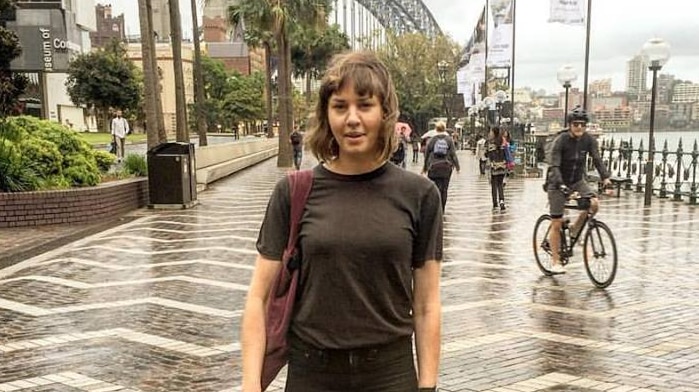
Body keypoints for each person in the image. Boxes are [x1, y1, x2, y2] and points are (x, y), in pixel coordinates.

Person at [241, 51, 443, 392]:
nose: (352, 118)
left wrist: (427, 386)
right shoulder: (292, 192)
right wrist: (250, 386)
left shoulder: (420, 195)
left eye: (364, 105)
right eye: (340, 106)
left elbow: (426, 304)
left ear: (384, 113)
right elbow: (258, 298)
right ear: (327, 115)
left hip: (390, 375)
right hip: (312, 374)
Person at [546, 107, 612, 274]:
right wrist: (561, 186)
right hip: (557, 181)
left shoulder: (588, 140)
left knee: (594, 204)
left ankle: (576, 228)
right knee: (557, 222)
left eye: (583, 124)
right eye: (576, 124)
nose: (579, 128)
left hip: (577, 180)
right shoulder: (561, 140)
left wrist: (606, 178)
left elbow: (597, 159)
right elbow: (554, 165)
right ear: (570, 125)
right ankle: (555, 261)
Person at [422, 121, 460, 211]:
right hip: (446, 167)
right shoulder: (449, 140)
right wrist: (457, 167)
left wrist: (425, 168)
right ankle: (442, 209)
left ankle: (435, 208)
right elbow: (453, 155)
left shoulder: (432, 140)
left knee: (434, 189)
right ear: (444, 128)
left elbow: (426, 154)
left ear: (436, 129)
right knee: (444, 189)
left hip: (434, 167)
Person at [486, 127, 508, 211]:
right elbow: (506, 154)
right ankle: (502, 201)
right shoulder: (503, 142)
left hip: (494, 166)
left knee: (494, 186)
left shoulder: (491, 144)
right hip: (502, 166)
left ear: (493, 133)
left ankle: (495, 203)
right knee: (500, 185)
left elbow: (488, 155)